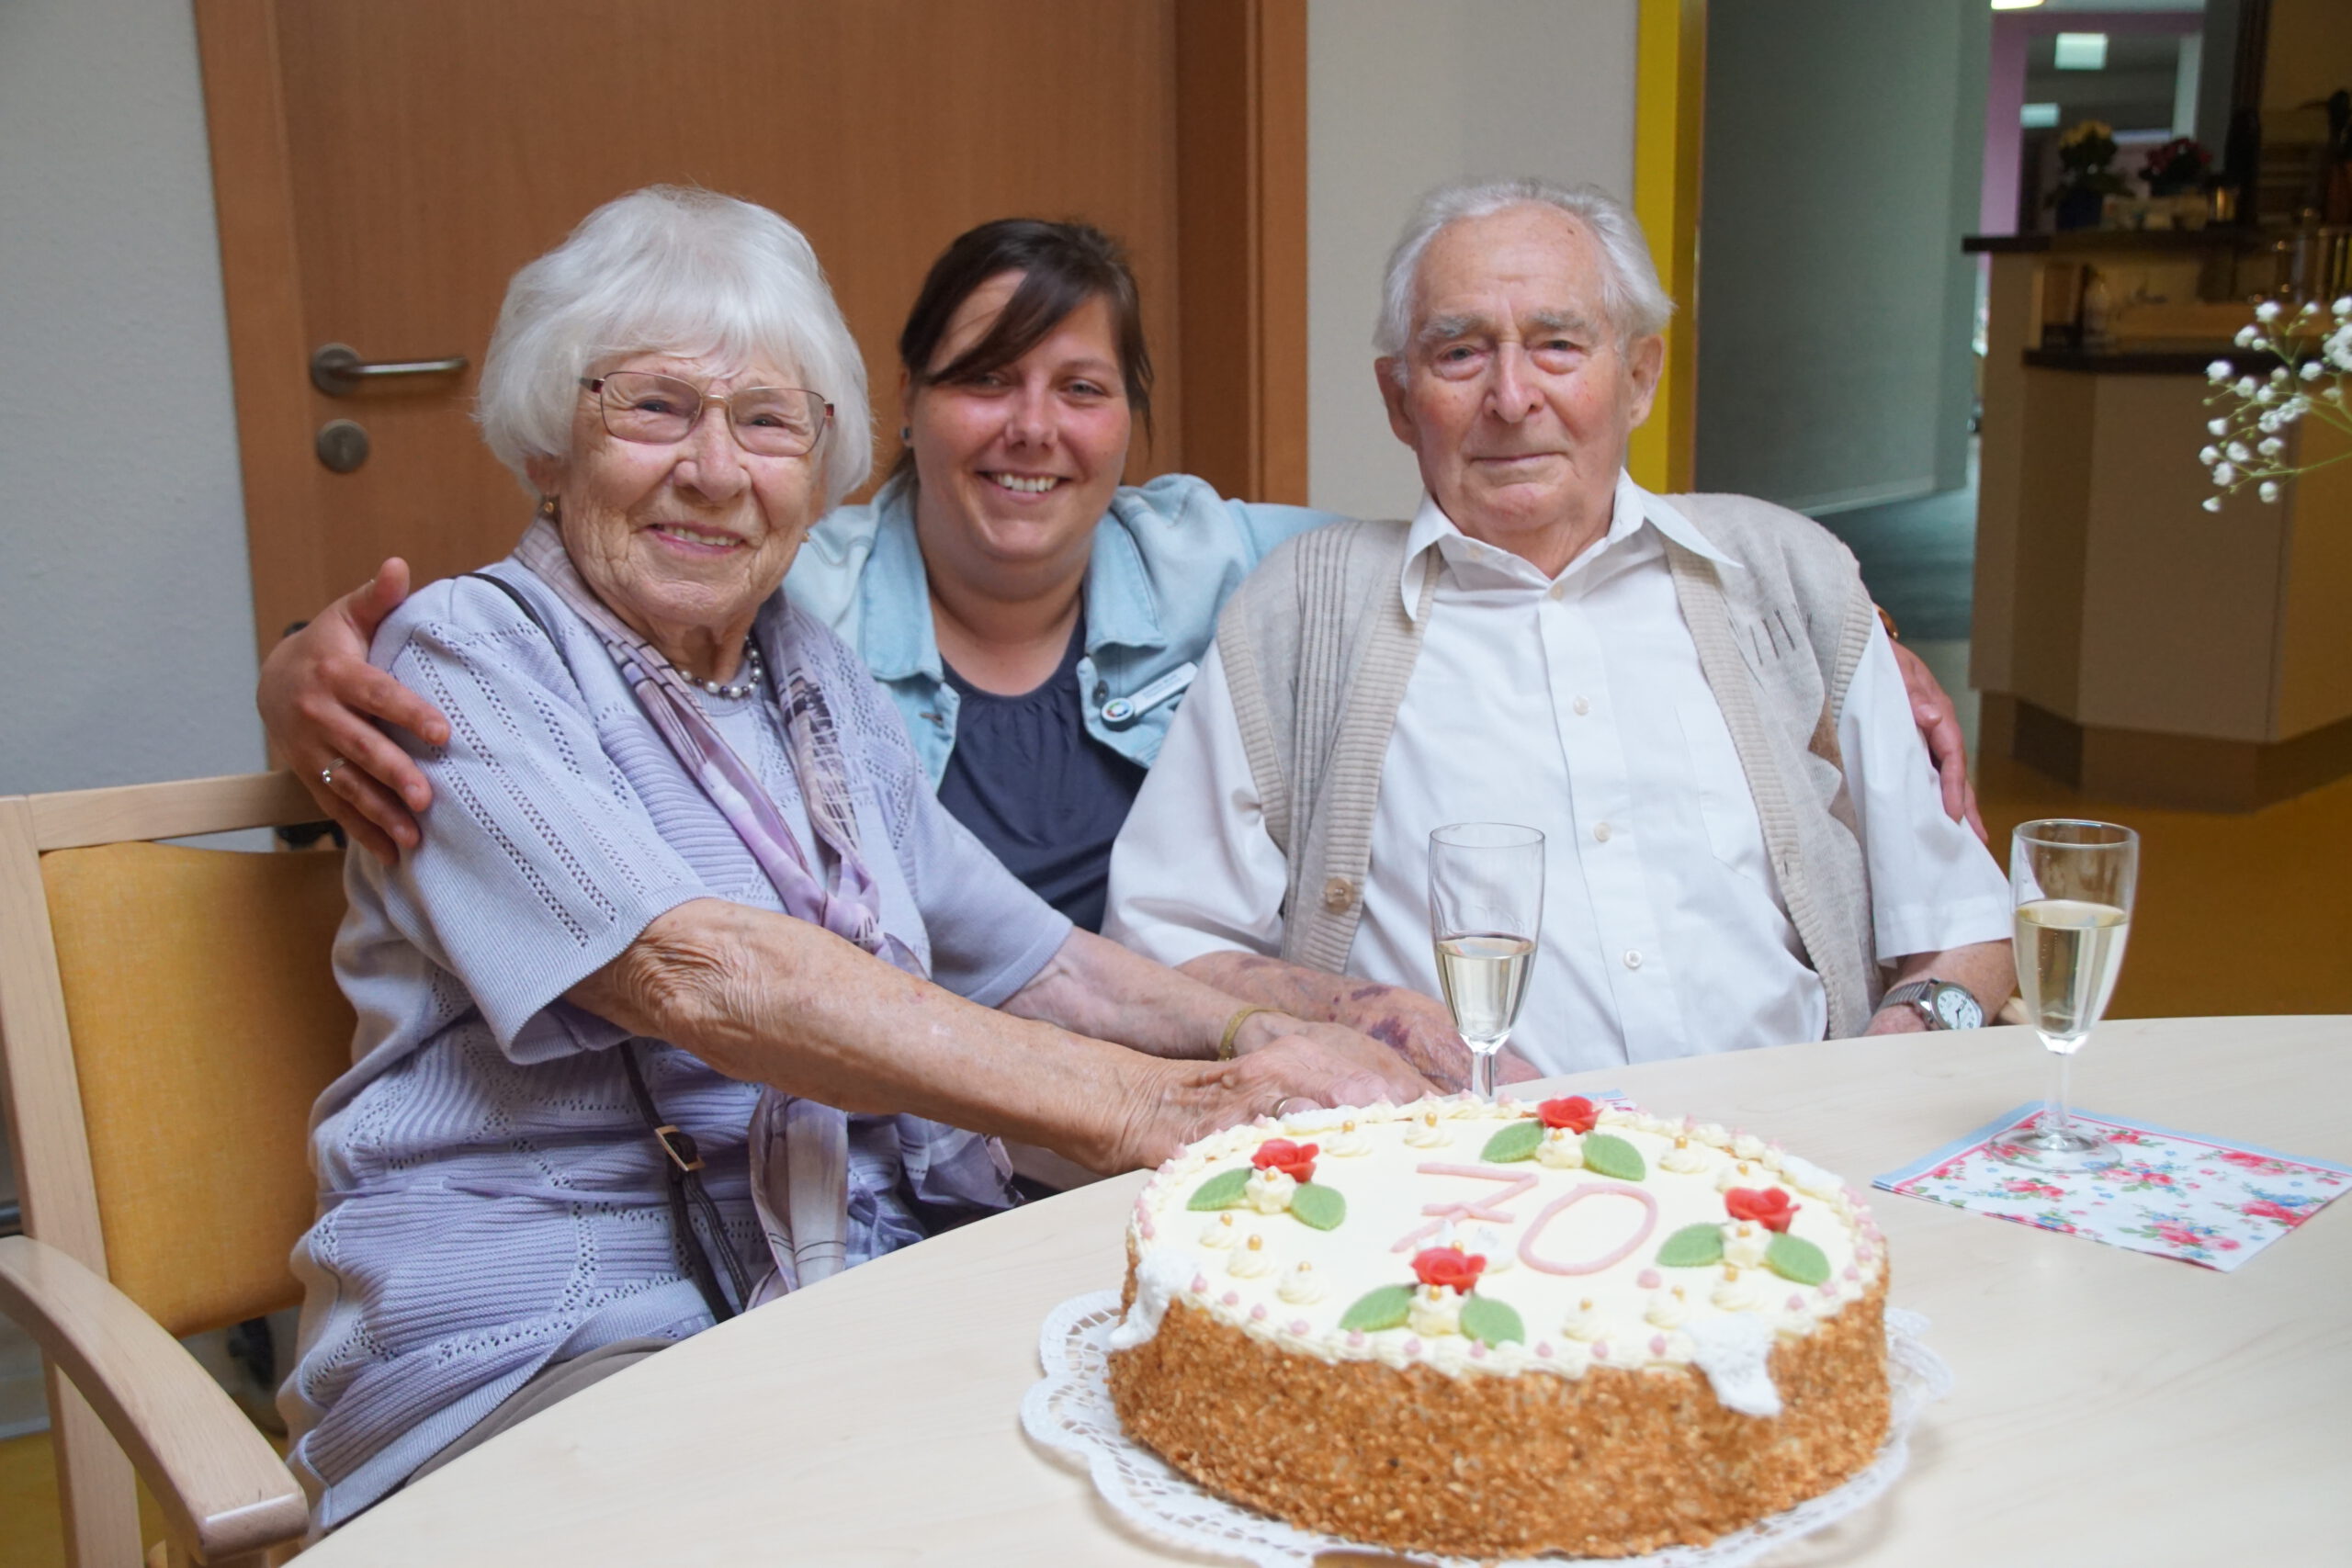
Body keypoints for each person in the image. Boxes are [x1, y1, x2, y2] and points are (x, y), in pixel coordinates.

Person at [282, 186, 1432, 1530]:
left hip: (821, 1280)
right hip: (542, 1316)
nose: (716, 469)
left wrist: (1312, 1016)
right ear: (549, 442)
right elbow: (704, 978)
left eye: (767, 422)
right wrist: (1167, 1107)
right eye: (653, 407)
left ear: (818, 461)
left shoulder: (807, 677)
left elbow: (1034, 957)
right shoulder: (470, 659)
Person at [258, 216, 1981, 1091]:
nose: (1031, 432)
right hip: (957, 1130)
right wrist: (299, 668)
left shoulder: (1233, 564)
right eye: (653, 410)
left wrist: (1836, 614)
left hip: (959, 1137)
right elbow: (713, 952)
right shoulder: (801, 594)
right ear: (900, 423)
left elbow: (1498, 522)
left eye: (1080, 388)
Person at [1104, 177, 2015, 1077]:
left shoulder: (1784, 575)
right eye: (1459, 352)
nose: (1510, 396)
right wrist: (1371, 1024)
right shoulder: (1298, 613)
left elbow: (1962, 922)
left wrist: (1875, 1079)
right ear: (1397, 398)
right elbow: (1161, 943)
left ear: (1638, 378)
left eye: (1557, 345)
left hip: (1785, 1167)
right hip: (1453, 1180)